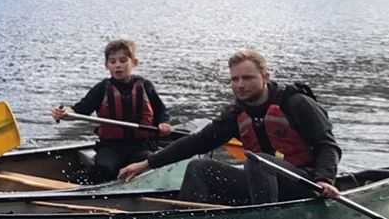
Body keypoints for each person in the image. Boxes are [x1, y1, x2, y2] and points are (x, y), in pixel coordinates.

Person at [116, 49, 341, 204]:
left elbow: (327, 147)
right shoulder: (236, 113)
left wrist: (324, 180)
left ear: (265, 76)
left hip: (304, 184)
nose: (240, 85)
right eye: (235, 79)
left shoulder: (297, 103)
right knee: (199, 167)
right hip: (262, 185)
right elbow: (197, 141)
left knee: (257, 161)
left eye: (247, 78)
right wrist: (146, 164)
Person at [51, 37, 174, 183]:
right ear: (106, 65)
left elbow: (161, 112)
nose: (118, 66)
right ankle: (78, 185)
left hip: (141, 145)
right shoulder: (102, 88)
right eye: (113, 61)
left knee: (148, 162)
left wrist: (164, 124)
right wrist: (65, 112)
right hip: (111, 146)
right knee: (105, 167)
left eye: (123, 60)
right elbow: (81, 109)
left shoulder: (145, 86)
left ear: (134, 63)